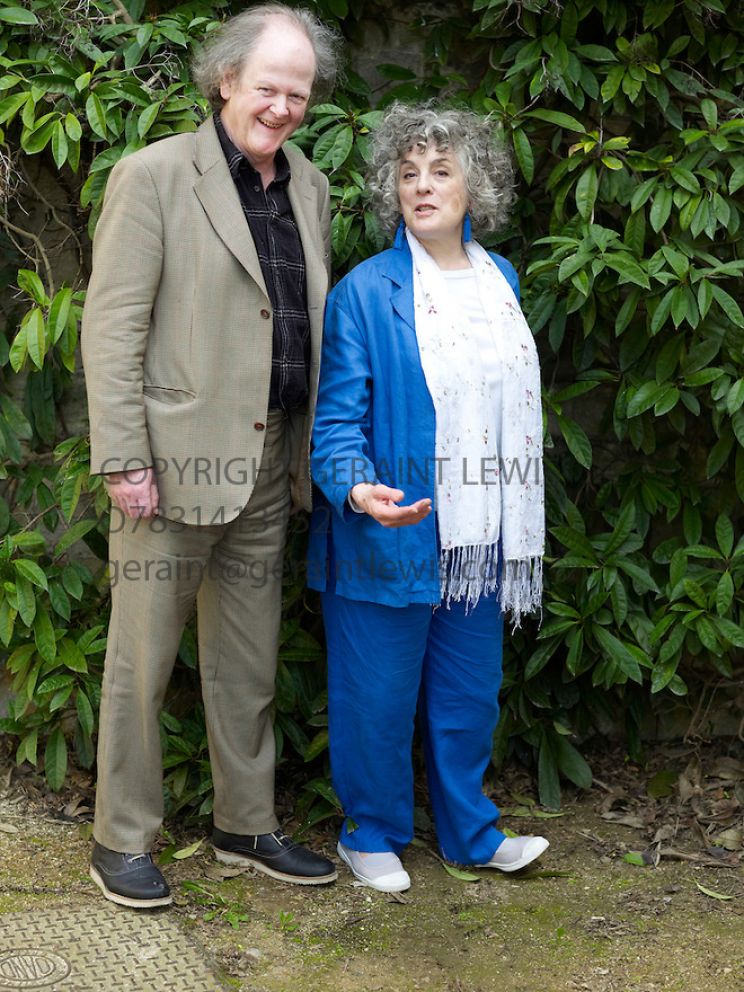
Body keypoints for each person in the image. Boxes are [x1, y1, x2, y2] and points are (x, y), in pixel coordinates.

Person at [81, 4, 340, 908]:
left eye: (298, 92)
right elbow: (112, 327)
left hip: (271, 459)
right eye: (268, 86)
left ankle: (245, 822)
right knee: (141, 662)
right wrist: (122, 458)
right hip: (170, 461)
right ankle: (121, 838)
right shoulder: (154, 176)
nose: (282, 107)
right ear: (225, 79)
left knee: (248, 659)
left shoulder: (307, 184)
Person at [308, 103, 549, 892]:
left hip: (480, 534)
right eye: (407, 173)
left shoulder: (500, 280)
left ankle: (471, 835)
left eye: (441, 170)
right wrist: (356, 491)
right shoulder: (364, 293)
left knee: (467, 696)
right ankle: (369, 833)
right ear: (390, 191)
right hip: (391, 531)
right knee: (375, 698)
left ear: (474, 184)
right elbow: (335, 422)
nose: (423, 185)